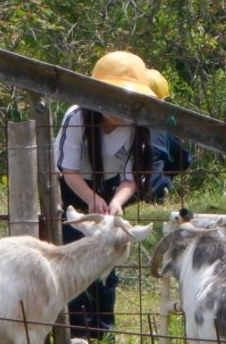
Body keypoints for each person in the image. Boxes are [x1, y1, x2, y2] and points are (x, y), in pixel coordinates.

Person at [53, 51, 156, 341]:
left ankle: (104, 330)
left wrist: (116, 202)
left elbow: (131, 178)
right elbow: (68, 170)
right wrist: (90, 198)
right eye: (109, 97)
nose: (116, 108)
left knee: (108, 255)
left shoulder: (137, 124)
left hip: (111, 188)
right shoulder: (76, 116)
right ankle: (77, 329)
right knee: (73, 253)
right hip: (73, 187)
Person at [140, 69, 191, 203]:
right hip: (150, 192)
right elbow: (183, 160)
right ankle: (158, 190)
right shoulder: (164, 126)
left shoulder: (120, 122)